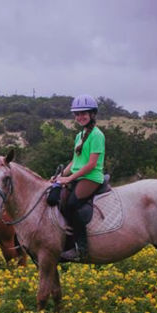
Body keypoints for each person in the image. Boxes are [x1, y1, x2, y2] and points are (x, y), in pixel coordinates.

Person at [52, 94, 106, 262]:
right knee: (57, 198)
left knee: (72, 203)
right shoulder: (80, 135)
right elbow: (74, 161)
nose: (80, 117)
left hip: (91, 177)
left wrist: (69, 179)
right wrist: (60, 176)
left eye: (84, 113)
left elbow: (90, 164)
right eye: (77, 114)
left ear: (92, 114)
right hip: (78, 176)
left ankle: (80, 248)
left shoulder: (97, 135)